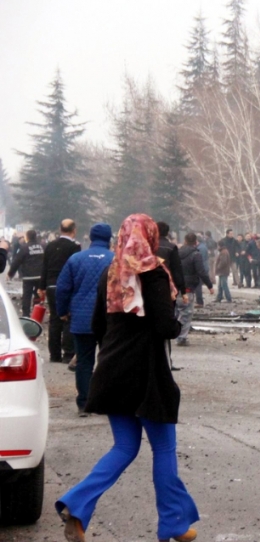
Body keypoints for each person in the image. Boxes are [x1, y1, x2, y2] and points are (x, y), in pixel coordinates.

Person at [55, 214, 199, 542]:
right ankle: (173, 523)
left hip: (112, 370)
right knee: (163, 448)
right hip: (146, 372)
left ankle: (76, 506)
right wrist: (177, 324)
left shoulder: (112, 272)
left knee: (124, 446)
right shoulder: (153, 272)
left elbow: (97, 325)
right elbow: (164, 326)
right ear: (150, 237)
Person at [55, 223, 115, 417]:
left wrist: (62, 311)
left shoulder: (76, 259)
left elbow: (63, 288)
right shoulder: (115, 260)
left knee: (84, 362)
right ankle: (105, 400)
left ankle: (84, 403)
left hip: (82, 318)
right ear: (109, 239)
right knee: (108, 360)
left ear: (90, 238)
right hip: (109, 319)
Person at [39, 219, 81, 363]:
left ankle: (54, 354)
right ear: (74, 230)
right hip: (67, 286)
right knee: (68, 318)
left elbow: (44, 267)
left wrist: (41, 287)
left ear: (60, 229)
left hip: (51, 286)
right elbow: (76, 269)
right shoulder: (74, 247)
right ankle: (68, 353)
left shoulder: (50, 246)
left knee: (54, 320)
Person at [176, 233, 214, 347]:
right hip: (188, 287)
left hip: (175, 286)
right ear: (196, 242)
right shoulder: (196, 255)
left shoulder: (176, 253)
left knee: (177, 311)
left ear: (185, 241)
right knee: (186, 313)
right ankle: (181, 337)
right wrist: (209, 285)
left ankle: (173, 333)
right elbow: (201, 271)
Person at [6, 229, 44, 316]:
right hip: (40, 276)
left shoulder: (24, 247)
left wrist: (10, 273)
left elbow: (17, 261)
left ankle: (26, 315)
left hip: (28, 276)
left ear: (27, 237)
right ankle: (36, 314)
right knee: (38, 295)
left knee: (27, 295)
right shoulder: (42, 246)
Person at [155, 221, 187, 306]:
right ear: (167, 233)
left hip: (150, 285)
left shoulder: (148, 246)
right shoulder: (171, 247)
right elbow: (177, 269)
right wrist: (183, 290)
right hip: (168, 285)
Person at [194, 237, 209, 307]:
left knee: (198, 285)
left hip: (201, 268)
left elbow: (201, 259)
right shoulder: (203, 247)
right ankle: (199, 300)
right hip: (204, 267)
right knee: (198, 285)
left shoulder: (200, 248)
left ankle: (199, 301)